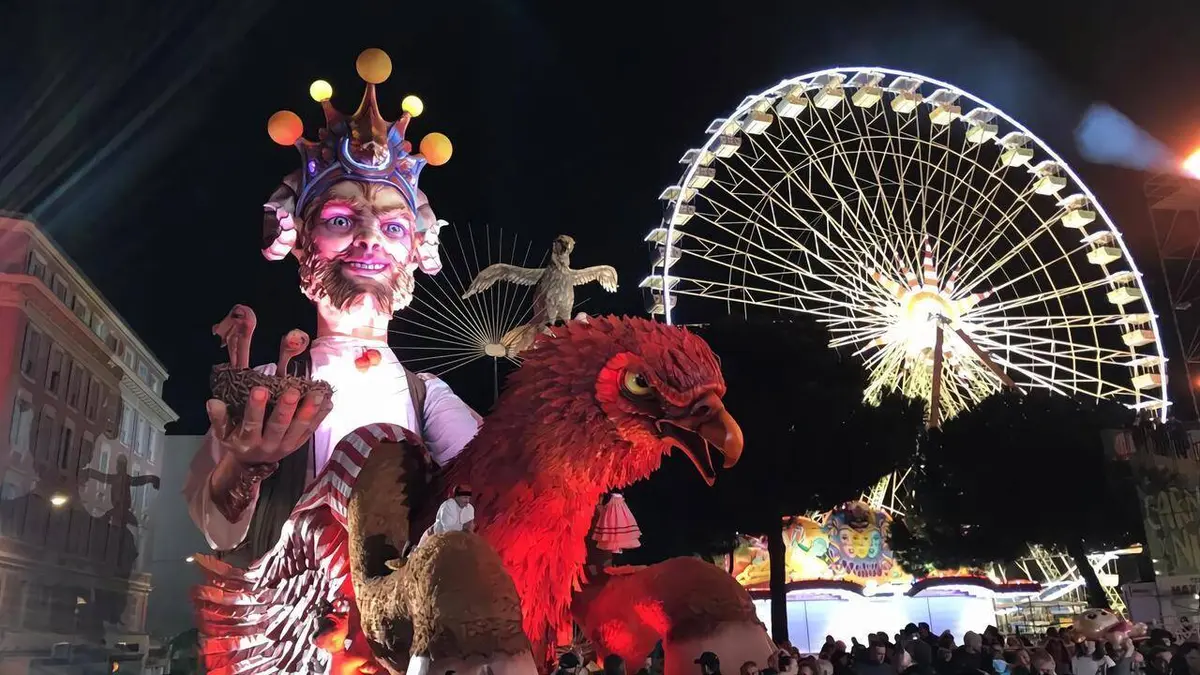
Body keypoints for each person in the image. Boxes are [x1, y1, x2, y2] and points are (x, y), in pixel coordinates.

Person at [184, 48, 481, 567]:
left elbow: (494, 486)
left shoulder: (427, 397)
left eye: (391, 227)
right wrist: (243, 468)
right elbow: (218, 532)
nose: (369, 240)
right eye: (342, 220)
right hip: (290, 631)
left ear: (414, 250)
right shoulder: (264, 388)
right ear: (300, 241)